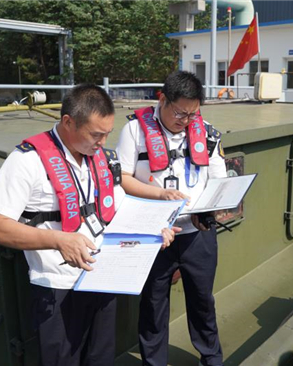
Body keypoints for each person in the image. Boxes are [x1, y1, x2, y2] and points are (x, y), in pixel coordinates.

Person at [0, 84, 177, 366]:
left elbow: (119, 209)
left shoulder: (101, 159)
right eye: (96, 135)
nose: (102, 142)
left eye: (107, 134)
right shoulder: (27, 161)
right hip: (58, 288)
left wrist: (153, 229)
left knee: (100, 359)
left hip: (103, 280)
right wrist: (58, 240)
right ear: (68, 122)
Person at [116, 71, 226, 366]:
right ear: (162, 99)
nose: (185, 120)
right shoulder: (134, 131)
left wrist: (212, 209)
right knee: (153, 304)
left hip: (197, 233)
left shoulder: (208, 132)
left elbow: (218, 180)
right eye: (179, 112)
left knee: (203, 301)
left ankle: (211, 358)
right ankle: (153, 362)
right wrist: (159, 196)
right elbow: (123, 179)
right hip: (153, 234)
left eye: (192, 114)